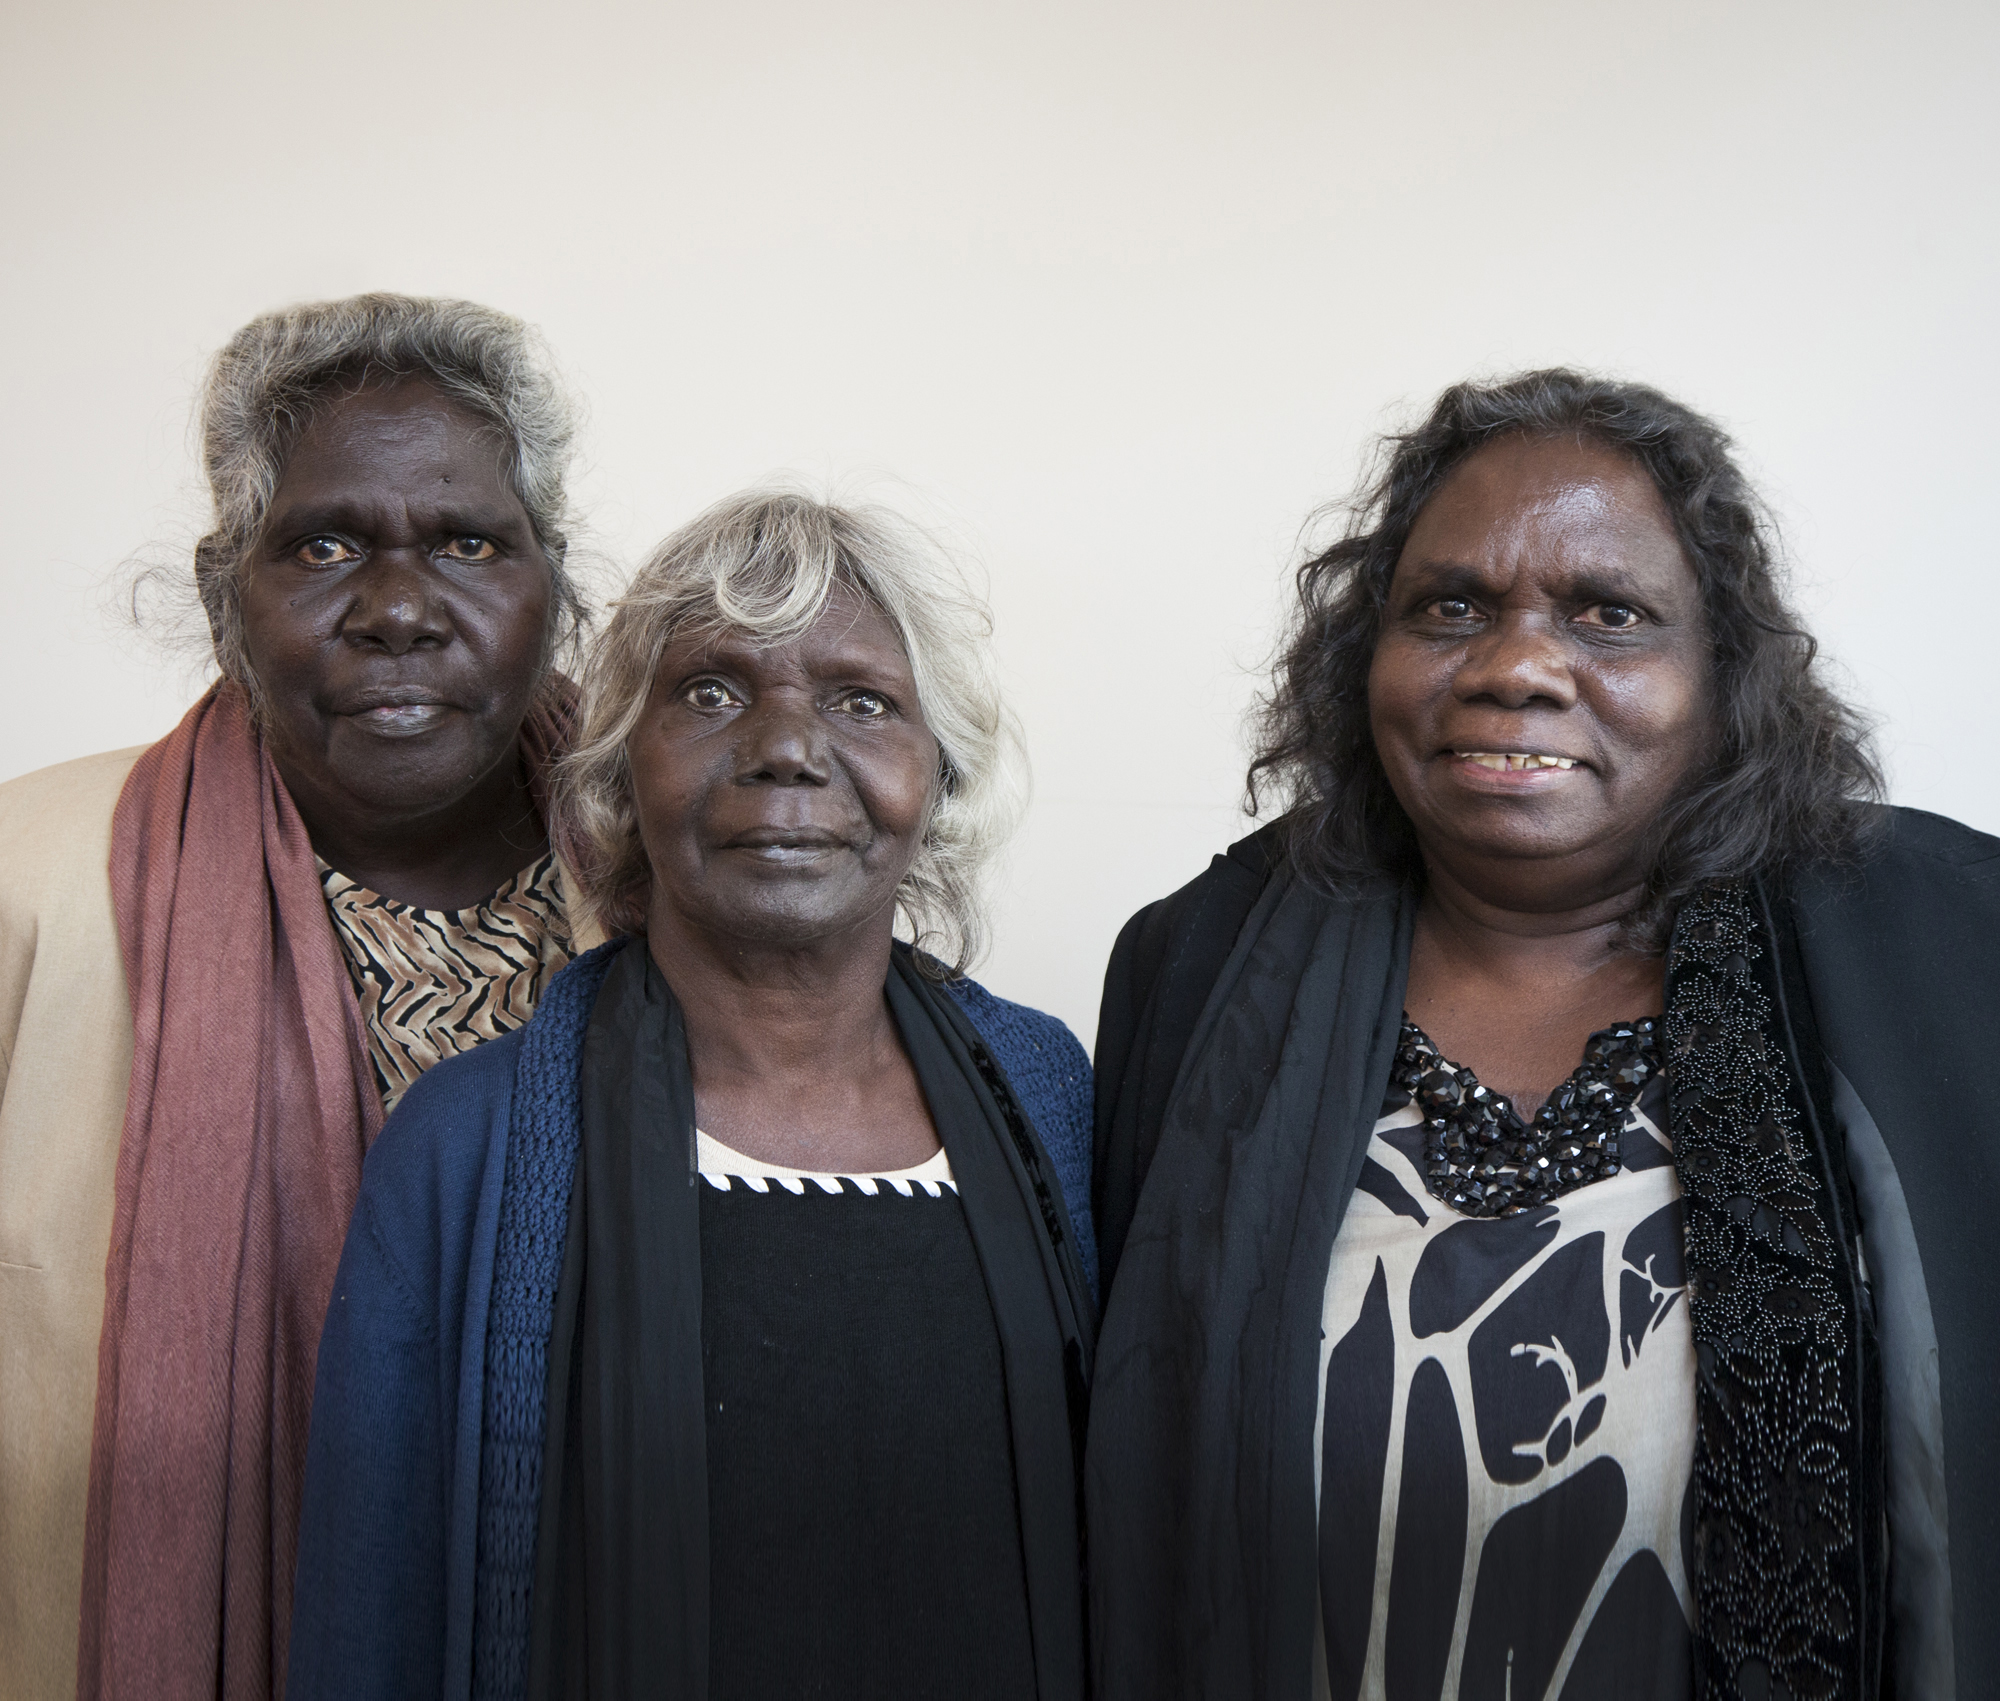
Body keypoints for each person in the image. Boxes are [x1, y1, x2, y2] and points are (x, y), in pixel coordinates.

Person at [1087, 370, 1997, 1701]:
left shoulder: (1945, 957)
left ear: (1720, 678)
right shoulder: (1200, 971)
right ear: (1367, 660)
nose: (1515, 666)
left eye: (1608, 615)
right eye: (1451, 608)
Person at [287, 490, 1098, 1701]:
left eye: (861, 701)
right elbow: (370, 1611)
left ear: (938, 777)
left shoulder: (1050, 1098)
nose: (783, 744)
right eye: (710, 692)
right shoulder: (464, 1142)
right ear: (621, 771)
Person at [0, 293, 600, 1701]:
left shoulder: (683, 890)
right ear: (225, 598)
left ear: (551, 585)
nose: (398, 608)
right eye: (325, 545)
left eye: (467, 543)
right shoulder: (28, 885)